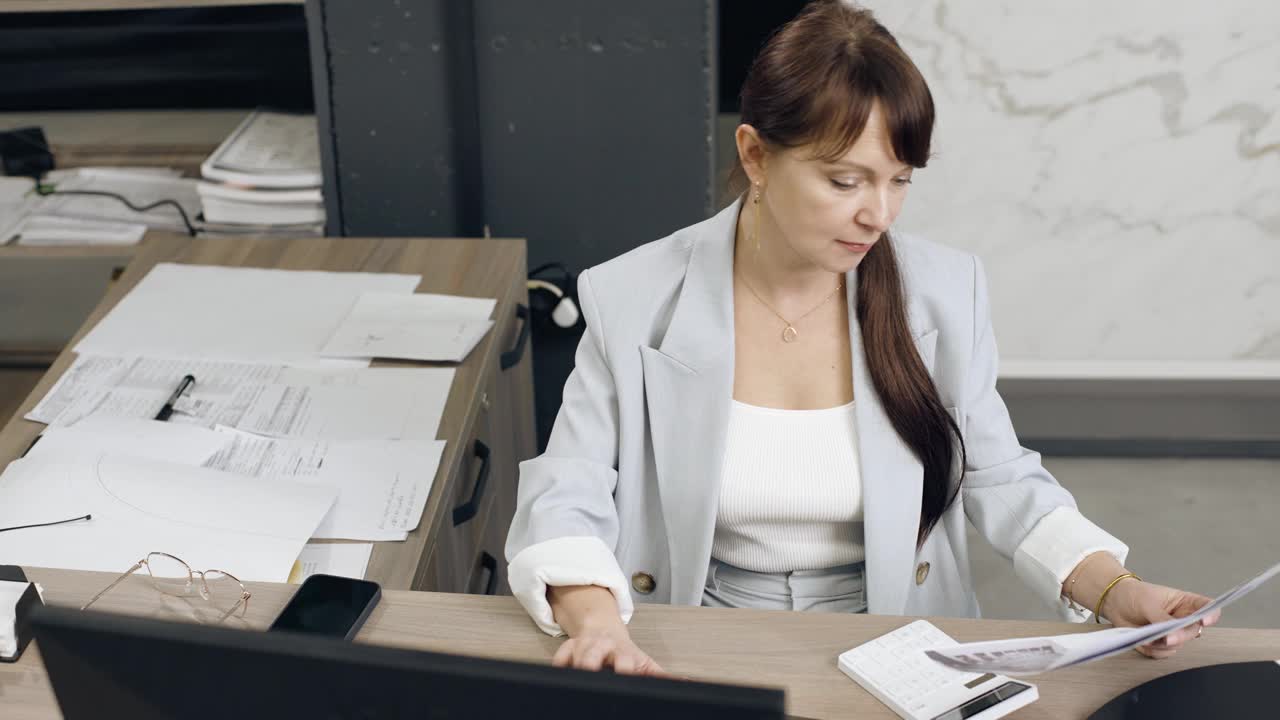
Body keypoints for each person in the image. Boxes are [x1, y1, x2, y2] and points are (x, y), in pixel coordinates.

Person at [505, 0, 1221, 676]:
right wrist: (597, 623)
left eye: (898, 181)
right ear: (755, 156)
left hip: (901, 636)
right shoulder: (635, 295)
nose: (877, 214)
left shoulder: (943, 290)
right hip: (694, 631)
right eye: (845, 181)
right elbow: (569, 487)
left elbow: (1002, 480)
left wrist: (1115, 590)